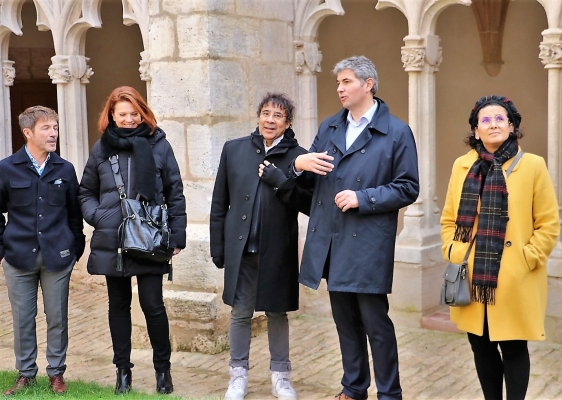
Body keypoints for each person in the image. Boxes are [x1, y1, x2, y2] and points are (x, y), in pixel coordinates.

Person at [292, 56, 419, 400]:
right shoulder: (330, 127)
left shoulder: (396, 131)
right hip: (332, 239)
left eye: (346, 81)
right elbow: (310, 178)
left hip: (367, 242)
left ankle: (390, 394)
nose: (340, 89)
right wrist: (298, 163)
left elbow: (408, 186)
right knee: (345, 322)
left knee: (376, 325)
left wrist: (364, 197)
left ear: (368, 84)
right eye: (338, 83)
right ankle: (353, 389)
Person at [440, 95, 560, 400]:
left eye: (500, 119)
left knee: (514, 347)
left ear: (512, 126)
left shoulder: (532, 165)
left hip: (515, 278)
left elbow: (548, 224)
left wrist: (527, 259)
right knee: (481, 345)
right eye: (485, 120)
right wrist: (454, 251)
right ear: (476, 130)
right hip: (473, 274)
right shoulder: (462, 166)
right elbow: (449, 219)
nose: (493, 124)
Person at [79, 86, 186, 395]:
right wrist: (99, 216)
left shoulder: (160, 145)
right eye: (122, 114)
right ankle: (122, 371)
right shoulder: (101, 148)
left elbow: (174, 193)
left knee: (153, 306)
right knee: (118, 306)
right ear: (111, 115)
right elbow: (85, 191)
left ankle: (163, 372)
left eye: (133, 114)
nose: (128, 119)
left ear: (143, 113)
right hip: (113, 239)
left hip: (150, 238)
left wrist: (177, 235)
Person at [210, 93, 312, 400]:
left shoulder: (299, 157)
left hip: (277, 250)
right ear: (258, 117)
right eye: (266, 113)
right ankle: (237, 374)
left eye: (278, 116)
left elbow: (308, 204)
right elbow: (219, 202)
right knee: (240, 313)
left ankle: (281, 376)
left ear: (288, 123)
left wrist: (281, 179)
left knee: (277, 313)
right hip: (241, 251)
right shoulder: (234, 149)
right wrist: (219, 247)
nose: (270, 120)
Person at [0, 106, 85, 395]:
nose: (53, 134)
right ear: (28, 133)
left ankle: (56, 373)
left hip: (57, 257)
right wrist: (3, 248)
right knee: (23, 318)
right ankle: (25, 374)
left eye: (55, 128)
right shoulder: (6, 168)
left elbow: (75, 214)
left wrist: (74, 248)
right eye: (46, 128)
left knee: (57, 317)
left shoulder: (65, 169)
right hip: (18, 257)